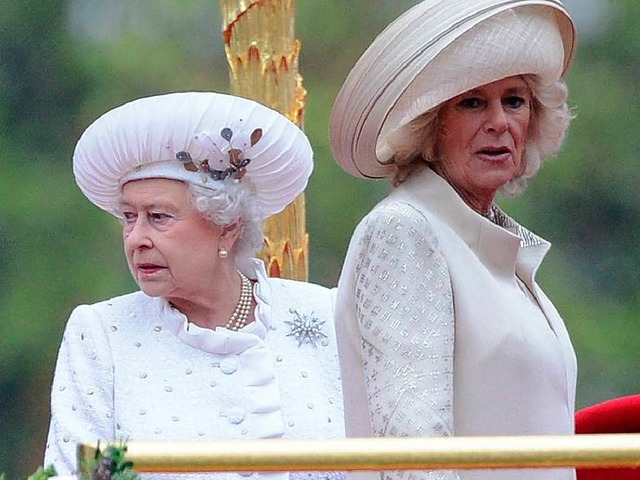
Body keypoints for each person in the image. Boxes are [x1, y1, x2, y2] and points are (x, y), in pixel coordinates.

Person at [329, 1, 578, 479]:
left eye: (514, 100)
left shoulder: (497, 253)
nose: (499, 122)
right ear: (428, 126)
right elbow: (411, 450)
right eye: (471, 102)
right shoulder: (405, 230)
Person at [44, 91, 344, 479]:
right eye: (128, 217)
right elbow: (67, 472)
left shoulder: (329, 315)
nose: (136, 238)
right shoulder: (101, 333)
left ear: (227, 226)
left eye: (158, 216)